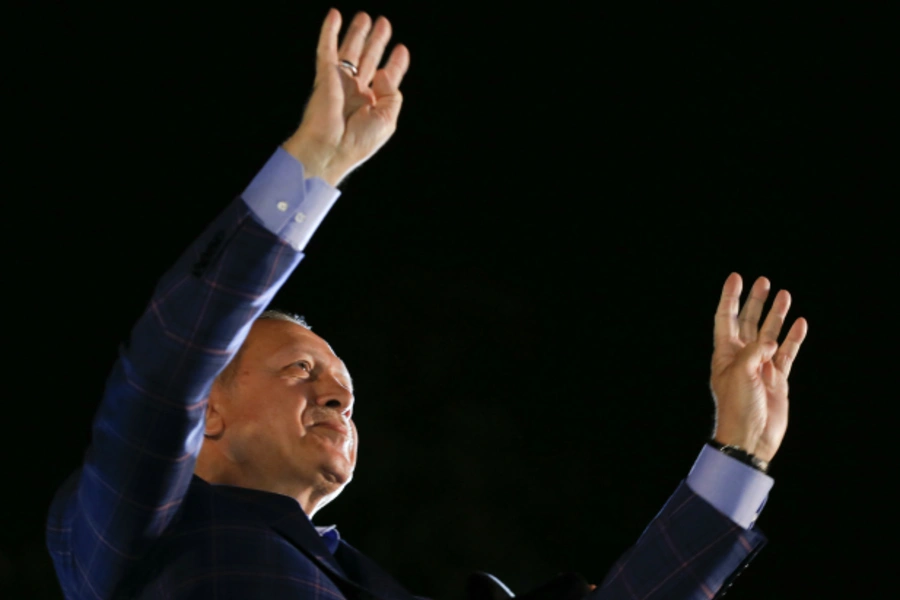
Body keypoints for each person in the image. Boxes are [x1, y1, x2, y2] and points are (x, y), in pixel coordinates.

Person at [46, 9, 808, 600]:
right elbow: (163, 370)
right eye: (299, 369)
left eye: (339, 378)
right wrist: (315, 166)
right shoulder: (136, 532)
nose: (339, 392)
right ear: (208, 410)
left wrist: (737, 453)